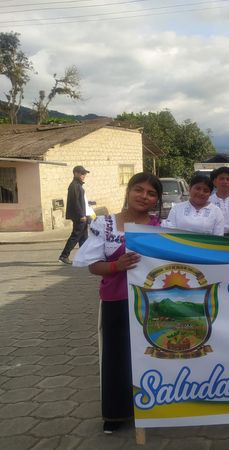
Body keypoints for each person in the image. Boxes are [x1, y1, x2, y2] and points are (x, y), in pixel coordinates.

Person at [73, 172, 162, 434]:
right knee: (116, 357)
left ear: (156, 200)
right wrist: (116, 265)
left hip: (151, 303)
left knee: (153, 353)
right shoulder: (105, 224)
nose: (144, 196)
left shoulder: (161, 227)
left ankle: (154, 405)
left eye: (151, 193)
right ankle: (116, 412)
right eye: (139, 189)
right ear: (129, 191)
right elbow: (93, 267)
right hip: (117, 301)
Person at [59, 165, 90, 265]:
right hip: (79, 216)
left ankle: (83, 257)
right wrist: (81, 215)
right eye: (82, 173)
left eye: (84, 174)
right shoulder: (74, 186)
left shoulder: (78, 185)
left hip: (83, 215)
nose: (84, 175)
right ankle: (64, 256)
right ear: (76, 173)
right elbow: (75, 202)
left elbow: (81, 200)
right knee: (76, 236)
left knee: (84, 237)